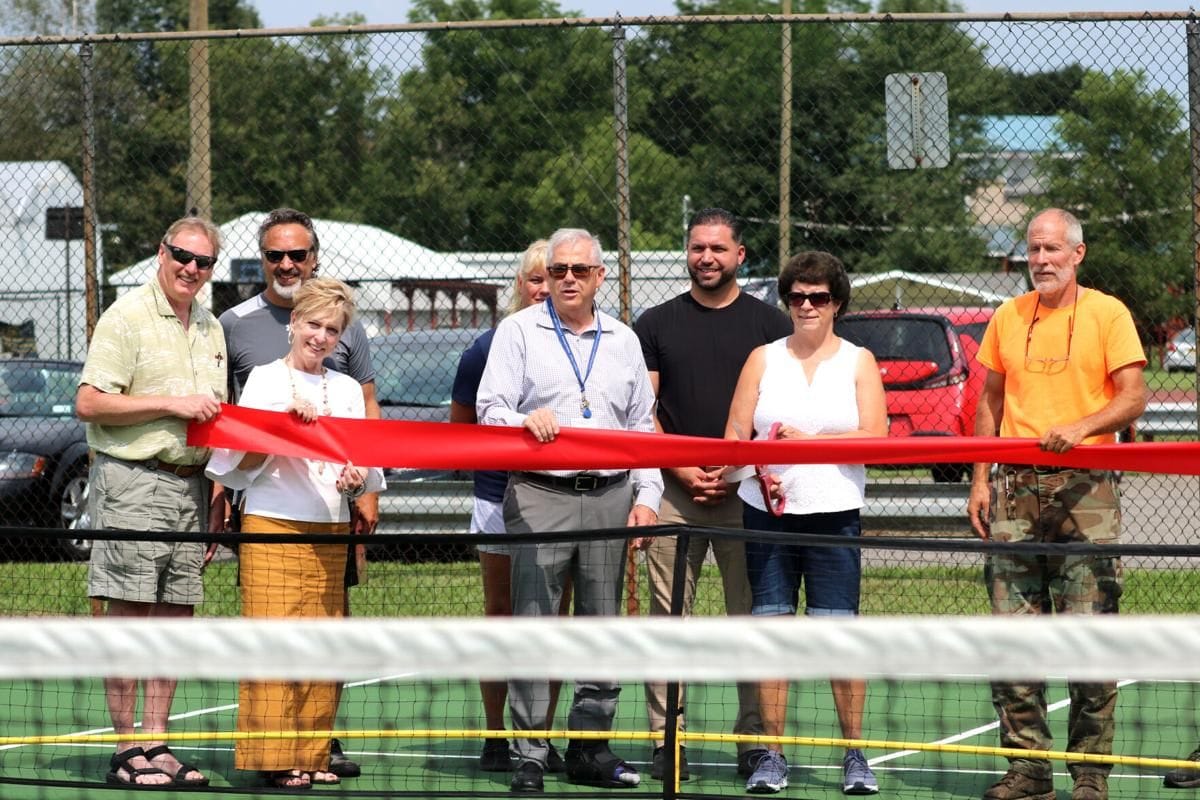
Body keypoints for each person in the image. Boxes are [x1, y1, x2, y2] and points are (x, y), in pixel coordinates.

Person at [967, 208, 1147, 800]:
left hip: (1087, 486)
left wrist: (1083, 426)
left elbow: (1133, 397)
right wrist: (980, 479)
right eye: (1033, 249)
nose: (1041, 260)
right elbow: (989, 402)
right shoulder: (1007, 315)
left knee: (1089, 633)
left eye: (1052, 250)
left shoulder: (1108, 313)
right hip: (1015, 489)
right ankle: (1027, 770)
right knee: (1014, 635)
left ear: (1078, 254)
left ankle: (1090, 773)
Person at [477, 227, 662, 794]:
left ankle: (590, 747)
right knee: (534, 623)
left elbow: (641, 431)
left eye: (580, 270)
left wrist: (647, 499)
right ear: (547, 276)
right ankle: (531, 750)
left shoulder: (624, 340)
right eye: (559, 270)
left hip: (609, 495)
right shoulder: (517, 331)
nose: (568, 279)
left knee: (602, 625)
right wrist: (522, 421)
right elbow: (489, 410)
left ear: (600, 276)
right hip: (539, 494)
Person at [206, 278, 385, 789]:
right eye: (313, 325)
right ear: (293, 325)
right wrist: (281, 428)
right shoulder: (263, 380)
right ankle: (275, 759)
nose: (321, 337)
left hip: (330, 529)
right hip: (271, 525)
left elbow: (367, 468)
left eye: (332, 330)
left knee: (322, 642)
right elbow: (234, 465)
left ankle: (313, 755)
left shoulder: (348, 390)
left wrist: (357, 481)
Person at [633, 207, 791, 781]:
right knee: (668, 618)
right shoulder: (654, 324)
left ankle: (754, 742)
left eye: (718, 249)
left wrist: (735, 467)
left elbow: (779, 413)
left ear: (739, 255)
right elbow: (641, 411)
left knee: (749, 617)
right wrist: (679, 467)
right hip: (675, 493)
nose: (706, 257)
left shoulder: (771, 325)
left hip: (745, 492)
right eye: (697, 247)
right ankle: (665, 739)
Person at [725, 251, 887, 796]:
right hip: (766, 517)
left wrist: (812, 446)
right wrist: (757, 470)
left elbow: (875, 436)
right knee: (773, 632)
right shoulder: (762, 359)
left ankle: (855, 755)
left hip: (835, 515)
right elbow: (733, 440)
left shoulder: (858, 361)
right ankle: (772, 756)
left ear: (836, 302)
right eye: (797, 296)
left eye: (818, 297)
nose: (807, 306)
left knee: (837, 635)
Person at [77, 215, 226, 789]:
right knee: (130, 615)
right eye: (182, 256)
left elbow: (213, 418)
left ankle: (158, 743)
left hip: (192, 488)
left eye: (203, 261)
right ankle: (125, 750)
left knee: (174, 617)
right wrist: (172, 404)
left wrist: (216, 492)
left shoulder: (211, 327)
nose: (191, 268)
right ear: (160, 252)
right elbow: (89, 403)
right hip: (133, 481)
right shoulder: (126, 316)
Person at [449, 240, 571, 774]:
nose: (545, 288)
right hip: (498, 499)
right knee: (501, 615)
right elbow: (460, 430)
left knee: (553, 622)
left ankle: (540, 737)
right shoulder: (485, 347)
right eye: (536, 279)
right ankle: (497, 735)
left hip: (564, 502)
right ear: (521, 285)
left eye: (555, 276)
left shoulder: (586, 344)